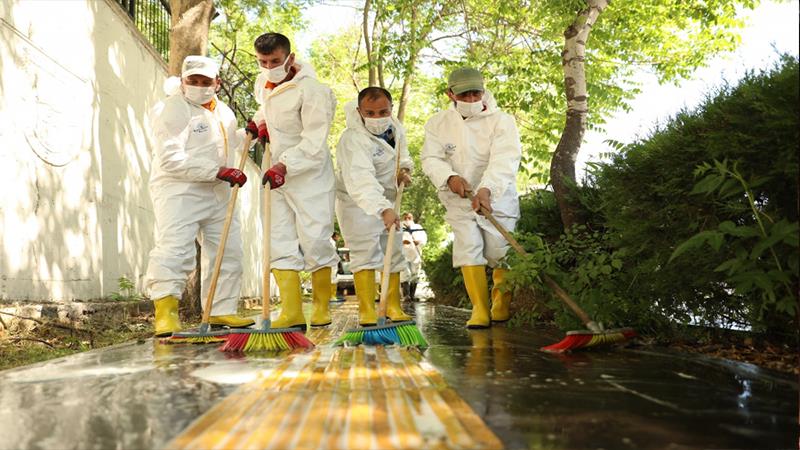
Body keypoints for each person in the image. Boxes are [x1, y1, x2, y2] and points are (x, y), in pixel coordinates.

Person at [145, 55, 256, 337]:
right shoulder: (171, 109)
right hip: (179, 192)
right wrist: (218, 171)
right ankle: (166, 313)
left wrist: (248, 135)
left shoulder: (225, 112)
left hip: (218, 193)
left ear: (217, 83)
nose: (198, 86)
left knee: (228, 252)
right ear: (182, 82)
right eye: (192, 81)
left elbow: (226, 141)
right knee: (175, 249)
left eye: (205, 82)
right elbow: (171, 160)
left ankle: (220, 309)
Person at [421, 67, 521, 328]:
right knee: (468, 249)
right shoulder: (437, 123)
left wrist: (487, 189)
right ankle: (479, 308)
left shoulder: (503, 121)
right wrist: (449, 177)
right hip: (459, 199)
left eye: (476, 93)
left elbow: (505, 158)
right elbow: (431, 158)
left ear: (484, 89)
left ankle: (501, 303)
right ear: (450, 94)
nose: (471, 99)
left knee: (500, 252)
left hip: (497, 198)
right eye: (464, 95)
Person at [250, 32, 338, 329]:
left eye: (275, 60)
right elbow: (266, 110)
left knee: (315, 238)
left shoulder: (313, 91)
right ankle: (291, 311)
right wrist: (260, 123)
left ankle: (321, 306)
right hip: (275, 172)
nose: (269, 66)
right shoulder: (262, 82)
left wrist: (286, 165)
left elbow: (314, 140)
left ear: (290, 57)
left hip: (309, 173)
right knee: (277, 238)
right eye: (263, 61)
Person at [334, 87, 413, 326]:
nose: (377, 118)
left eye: (383, 112)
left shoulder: (396, 128)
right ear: (359, 111)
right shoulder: (352, 139)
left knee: (394, 249)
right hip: (357, 203)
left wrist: (405, 172)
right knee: (365, 252)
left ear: (390, 109)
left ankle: (392, 305)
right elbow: (361, 180)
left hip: (388, 199)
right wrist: (382, 208)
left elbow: (403, 155)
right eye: (370, 112)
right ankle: (367, 309)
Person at [400, 212, 427, 301]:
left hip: (416, 254)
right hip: (403, 254)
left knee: (415, 274)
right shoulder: (399, 227)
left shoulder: (418, 227)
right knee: (405, 273)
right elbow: (394, 238)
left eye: (409, 217)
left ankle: (412, 295)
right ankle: (406, 295)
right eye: (405, 218)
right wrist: (402, 242)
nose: (407, 219)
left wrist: (418, 242)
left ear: (412, 218)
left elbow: (423, 239)